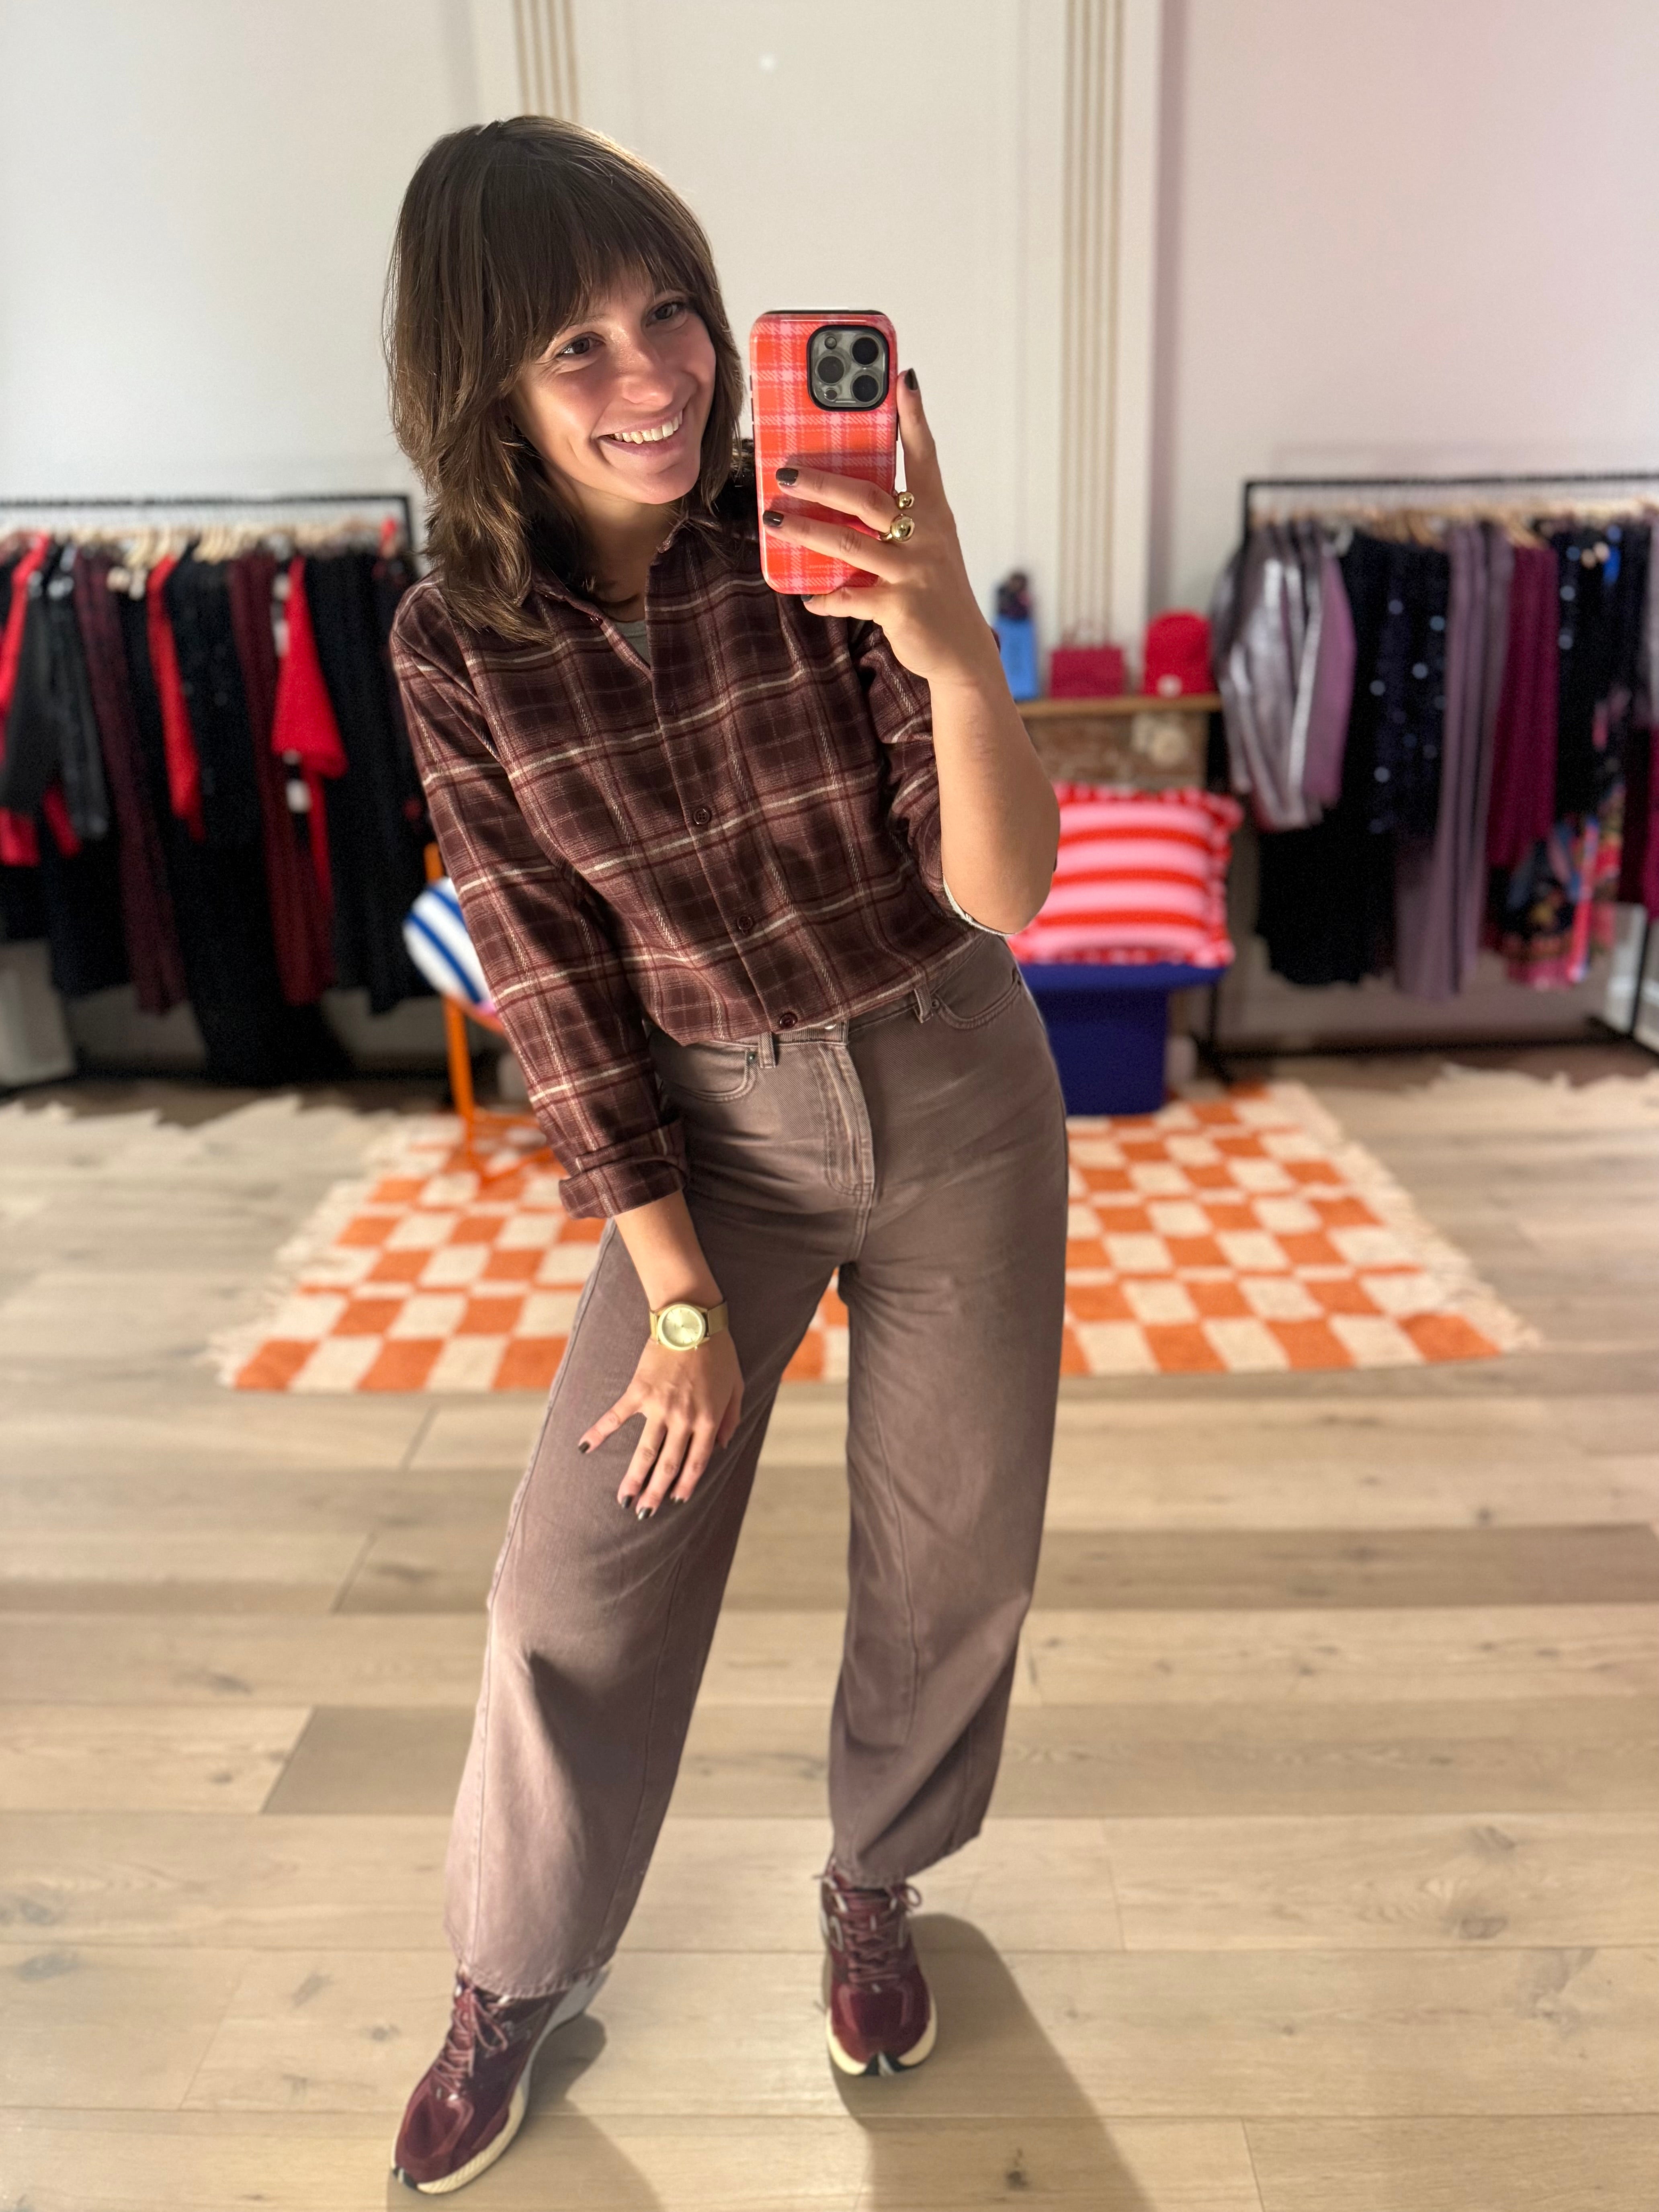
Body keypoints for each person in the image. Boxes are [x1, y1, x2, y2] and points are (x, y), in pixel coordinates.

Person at [382, 115, 1067, 2195]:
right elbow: (549, 980)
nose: (655, 377)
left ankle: (876, 1882)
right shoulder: (453, 648)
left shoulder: (818, 540)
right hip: (713, 1136)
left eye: (670, 311)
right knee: (576, 1572)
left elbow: (1005, 893)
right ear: (483, 386)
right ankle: (512, 1971)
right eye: (576, 347)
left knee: (953, 1551)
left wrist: (949, 638)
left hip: (956, 1077)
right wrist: (675, 1294)